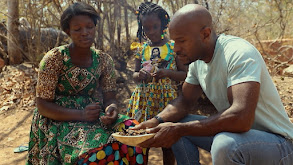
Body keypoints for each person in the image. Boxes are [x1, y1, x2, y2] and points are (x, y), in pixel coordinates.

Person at [133, 4, 293, 165]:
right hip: (240, 138)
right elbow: (183, 102)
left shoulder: (238, 53)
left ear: (205, 34)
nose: (175, 49)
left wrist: (180, 129)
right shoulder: (198, 62)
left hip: (280, 145)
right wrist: (157, 121)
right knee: (176, 123)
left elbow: (241, 118)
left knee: (226, 144)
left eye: (181, 41)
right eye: (174, 41)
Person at [26, 2, 146, 165]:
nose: (85, 33)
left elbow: (109, 97)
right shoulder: (54, 59)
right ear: (68, 31)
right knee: (95, 153)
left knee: (135, 131)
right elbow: (42, 105)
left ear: (95, 27)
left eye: (89, 27)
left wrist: (112, 110)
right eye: (77, 29)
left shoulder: (104, 60)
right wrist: (81, 115)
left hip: (92, 114)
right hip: (57, 119)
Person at [126, 2, 187, 165]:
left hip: (166, 103)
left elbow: (185, 74)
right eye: (146, 28)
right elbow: (134, 74)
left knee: (167, 143)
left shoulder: (173, 47)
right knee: (141, 140)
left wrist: (167, 73)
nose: (151, 31)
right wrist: (140, 75)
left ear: (164, 25)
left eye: (155, 26)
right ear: (141, 27)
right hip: (143, 101)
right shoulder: (141, 49)